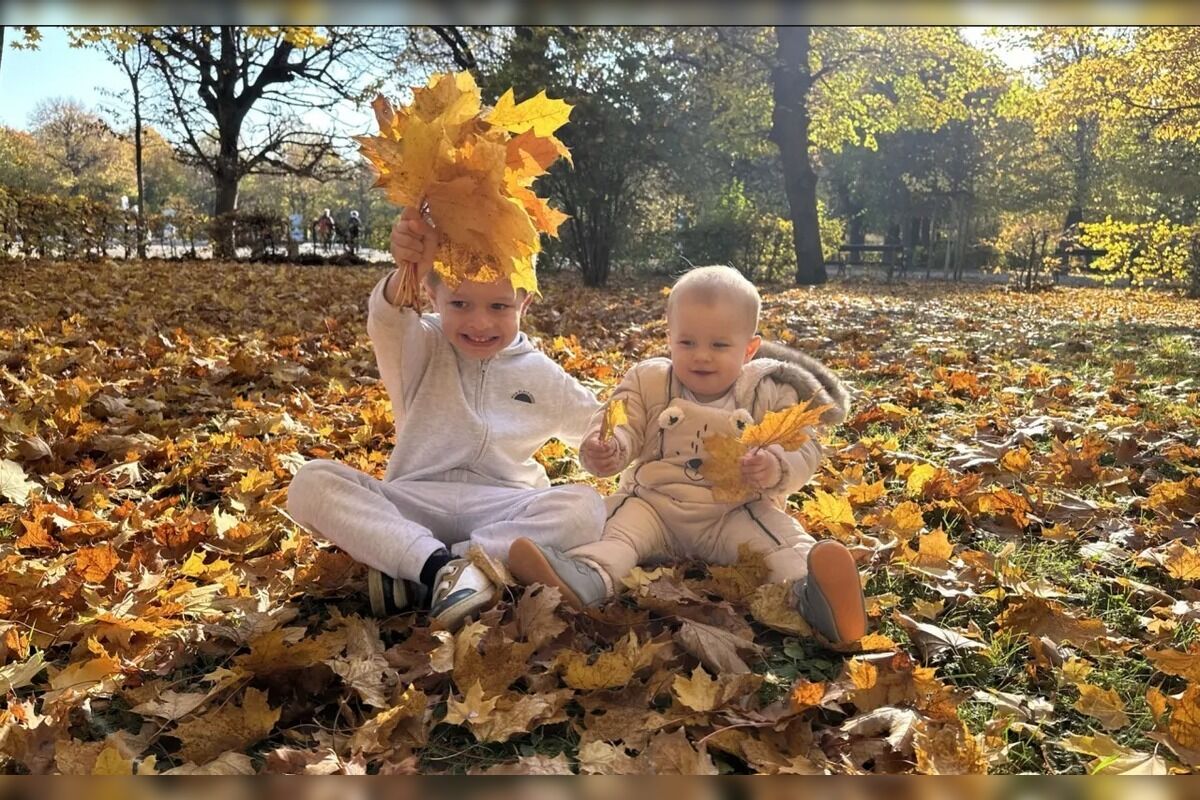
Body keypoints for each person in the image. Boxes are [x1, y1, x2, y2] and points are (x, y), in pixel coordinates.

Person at [507, 265, 868, 644]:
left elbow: (803, 445)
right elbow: (620, 421)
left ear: (749, 348)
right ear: (669, 339)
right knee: (614, 529)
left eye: (719, 345)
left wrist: (776, 465)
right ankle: (585, 576)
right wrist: (608, 450)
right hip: (654, 505)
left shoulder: (768, 391)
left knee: (780, 541)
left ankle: (811, 593)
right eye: (687, 343)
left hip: (734, 510)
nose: (702, 357)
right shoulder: (649, 381)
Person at [287, 207, 605, 630]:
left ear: (524, 301)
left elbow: (598, 428)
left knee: (586, 506)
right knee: (311, 481)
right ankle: (444, 569)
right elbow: (387, 320)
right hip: (414, 500)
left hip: (502, 507)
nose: (479, 321)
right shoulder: (419, 347)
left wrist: (604, 450)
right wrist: (409, 269)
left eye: (498, 305)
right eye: (459, 303)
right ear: (431, 296)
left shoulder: (542, 374)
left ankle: (427, 570)